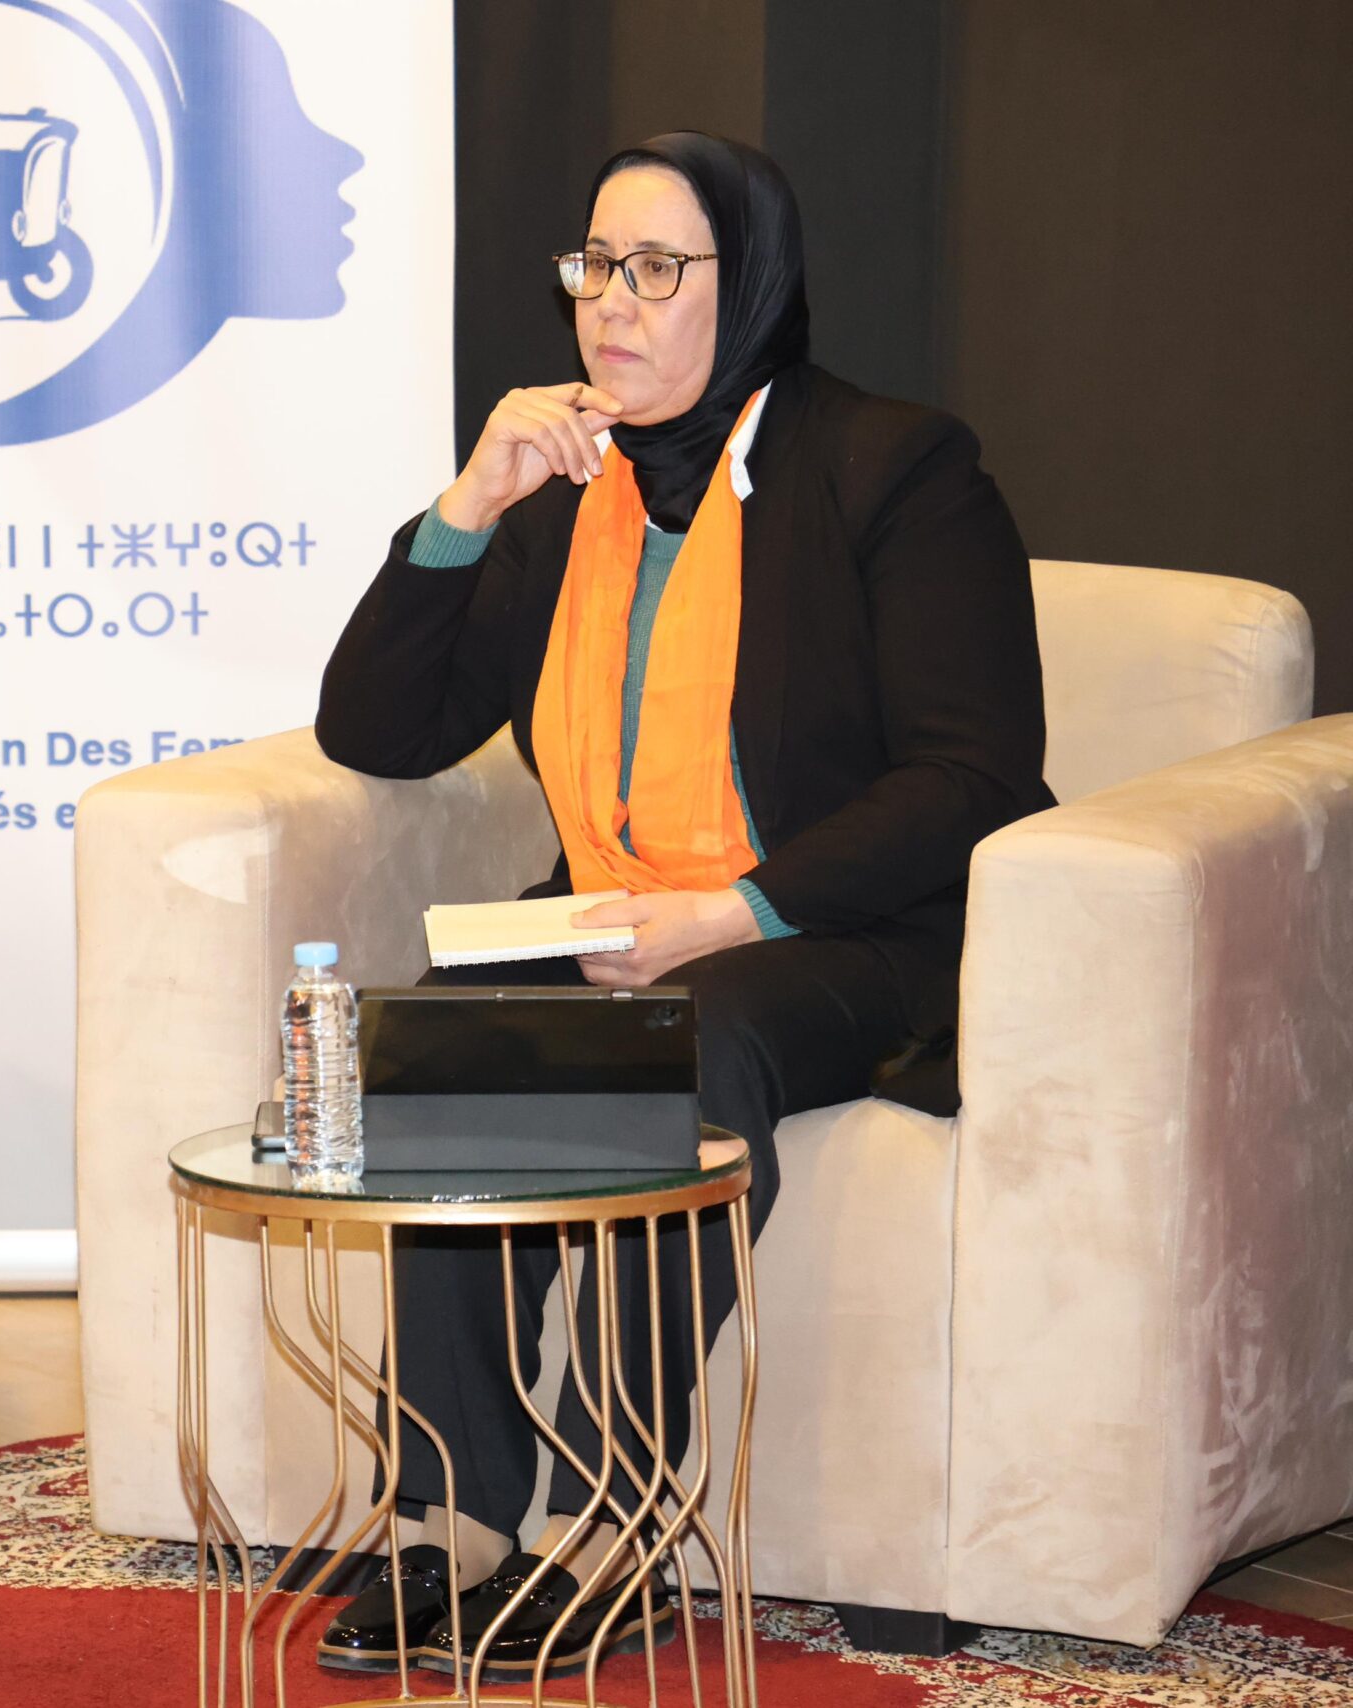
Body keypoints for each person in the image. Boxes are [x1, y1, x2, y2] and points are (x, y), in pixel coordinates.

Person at [311, 134, 1051, 1679]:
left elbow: (974, 773)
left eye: (657, 269)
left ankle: (615, 1512)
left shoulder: (893, 467)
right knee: (446, 1032)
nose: (611, 304)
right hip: (615, 918)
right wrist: (468, 504)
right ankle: (452, 1508)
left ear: (751, 279)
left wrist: (732, 912)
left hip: (849, 932)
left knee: (683, 1039)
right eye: (595, 265)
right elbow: (378, 731)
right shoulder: (563, 487)